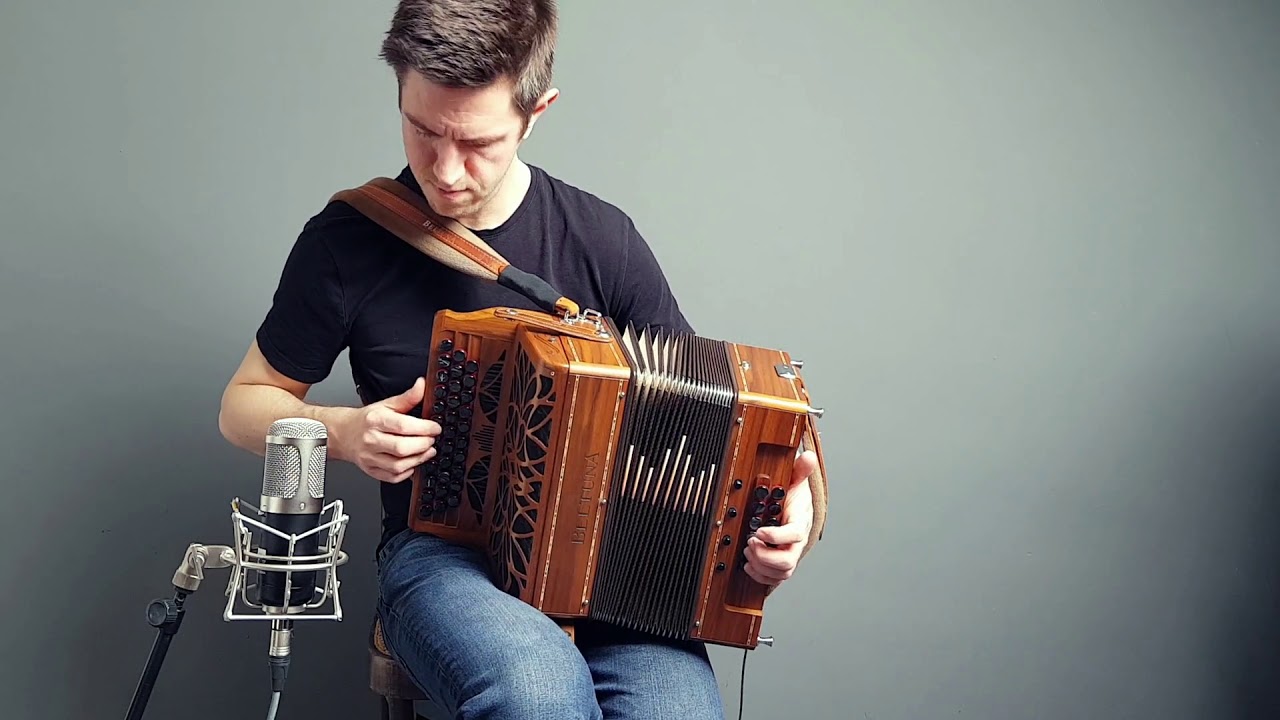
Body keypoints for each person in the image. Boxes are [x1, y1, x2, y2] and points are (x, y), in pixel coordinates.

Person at [217, 1, 821, 717]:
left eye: (477, 142)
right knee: (537, 696)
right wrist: (341, 433)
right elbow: (243, 403)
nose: (444, 169)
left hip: (614, 569)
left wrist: (795, 516)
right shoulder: (346, 241)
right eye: (420, 128)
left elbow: (726, 427)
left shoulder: (602, 238)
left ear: (536, 113)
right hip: (440, 559)